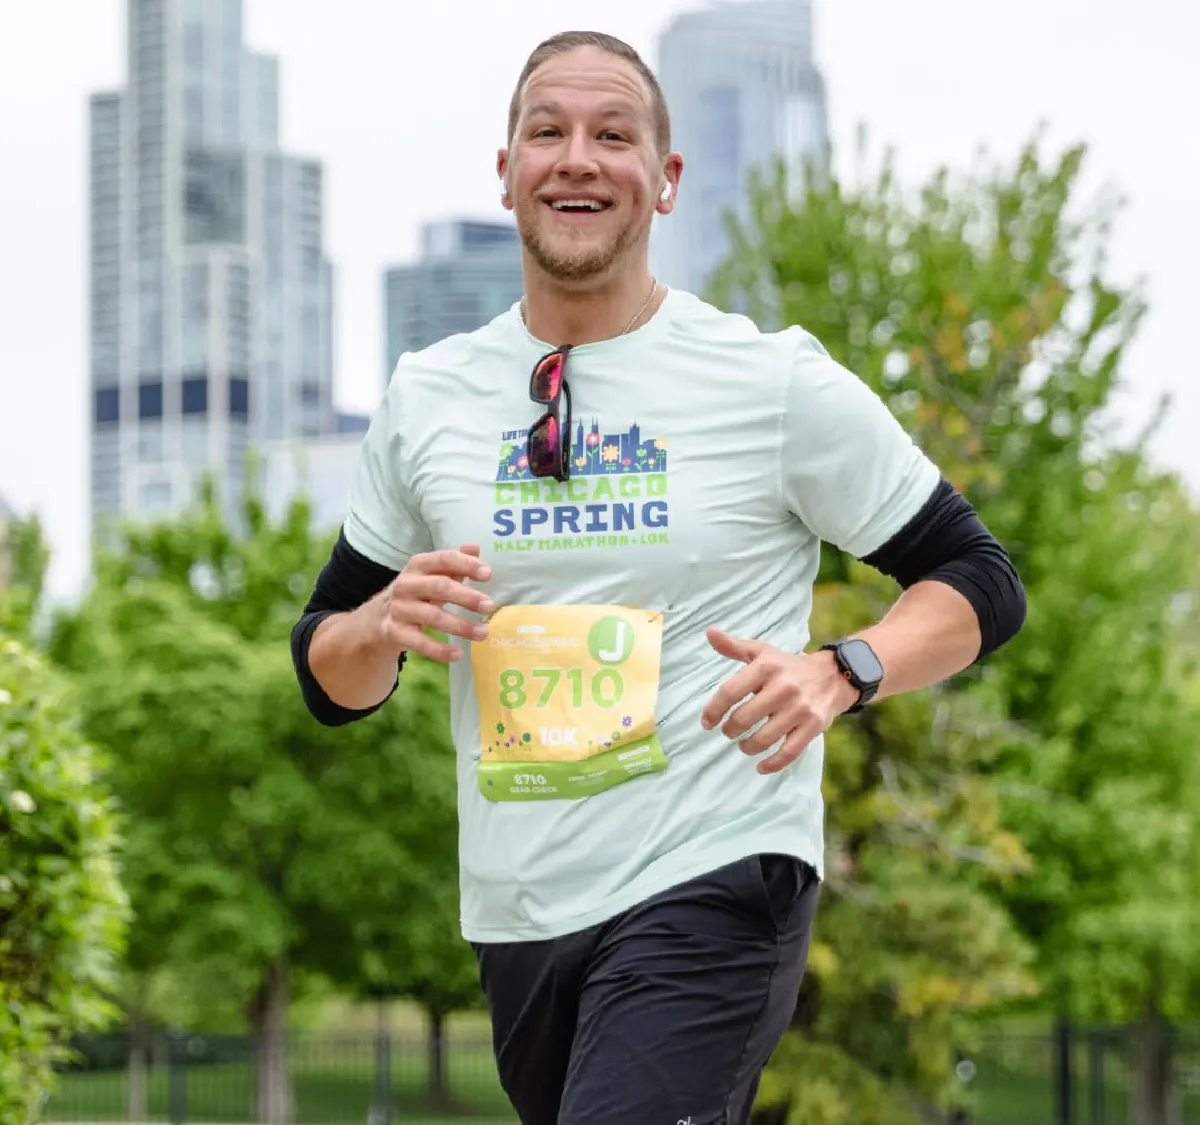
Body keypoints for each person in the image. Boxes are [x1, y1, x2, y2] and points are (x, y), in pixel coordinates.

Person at [290, 29, 1027, 1125]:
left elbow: (979, 580)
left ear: (666, 179)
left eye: (614, 135)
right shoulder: (429, 398)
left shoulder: (770, 382)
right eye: (548, 131)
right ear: (507, 173)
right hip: (523, 908)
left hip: (714, 874)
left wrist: (843, 670)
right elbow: (324, 676)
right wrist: (384, 621)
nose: (577, 157)